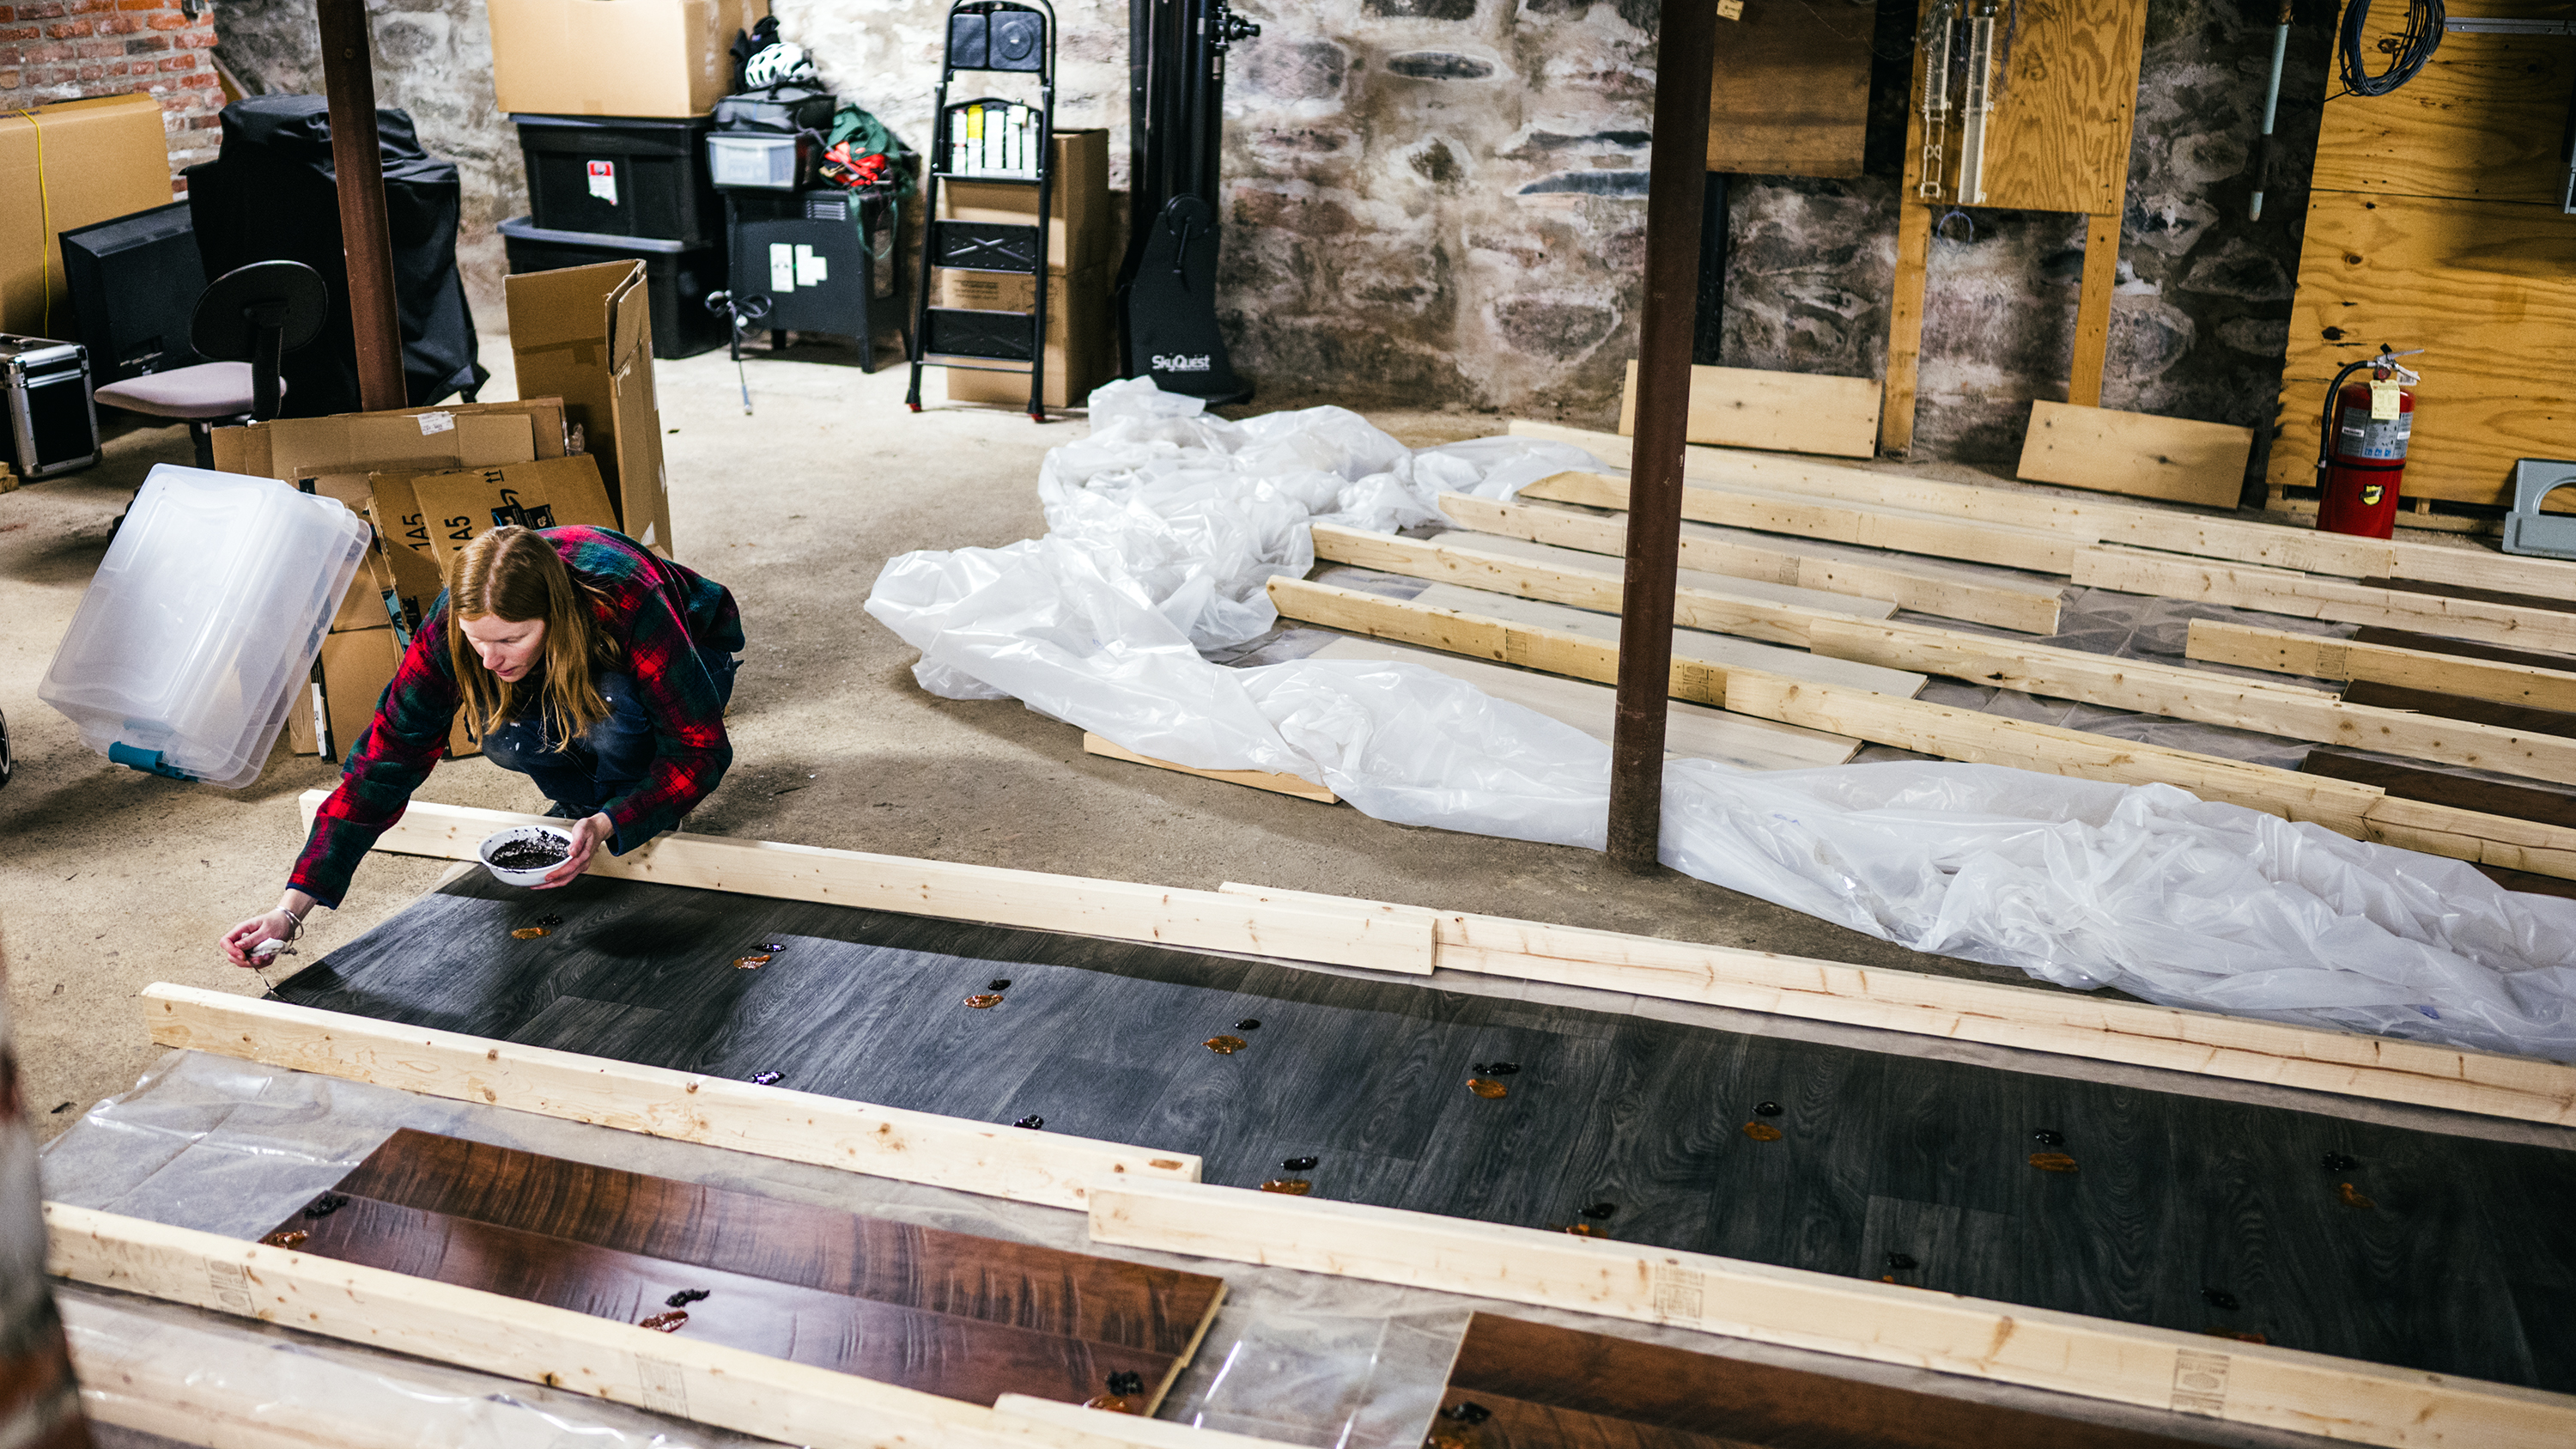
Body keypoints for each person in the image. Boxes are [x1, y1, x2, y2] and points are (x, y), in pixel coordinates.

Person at [222, 524, 741, 966]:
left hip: (691, 659)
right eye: (477, 640)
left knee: (610, 715)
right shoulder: (455, 624)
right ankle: (586, 806)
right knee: (504, 734)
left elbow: (699, 748)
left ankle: (622, 804)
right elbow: (387, 757)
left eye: (510, 640)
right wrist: (290, 910)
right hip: (565, 664)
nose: (490, 659)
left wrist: (615, 821)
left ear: (553, 616)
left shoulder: (623, 600)